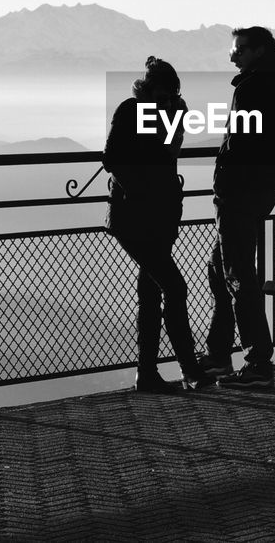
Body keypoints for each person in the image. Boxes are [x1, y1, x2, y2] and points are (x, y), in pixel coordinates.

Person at [200, 26, 275, 388]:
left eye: (239, 49)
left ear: (259, 51)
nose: (233, 55)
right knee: (221, 269)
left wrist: (228, 177)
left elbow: (240, 142)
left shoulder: (253, 88)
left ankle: (257, 361)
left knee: (237, 275)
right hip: (259, 192)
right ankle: (218, 354)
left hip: (238, 194)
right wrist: (270, 178)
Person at [104, 56, 213, 393]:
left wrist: (173, 122)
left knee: (151, 292)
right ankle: (190, 369)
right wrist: (139, 190)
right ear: (146, 90)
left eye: (170, 96)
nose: (164, 102)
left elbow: (168, 154)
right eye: (161, 96)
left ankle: (147, 373)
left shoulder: (166, 117)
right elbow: (111, 158)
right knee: (174, 286)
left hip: (160, 215)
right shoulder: (130, 111)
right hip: (135, 216)